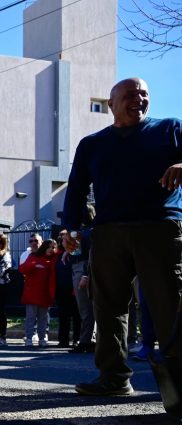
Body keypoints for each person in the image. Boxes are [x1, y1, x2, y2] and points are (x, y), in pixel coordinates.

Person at [62, 77, 182, 396]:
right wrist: (69, 227)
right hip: (108, 233)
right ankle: (113, 377)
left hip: (159, 228)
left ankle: (178, 387)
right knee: (108, 306)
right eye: (130, 94)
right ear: (111, 103)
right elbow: (76, 189)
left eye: (144, 93)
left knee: (169, 305)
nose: (139, 99)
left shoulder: (170, 128)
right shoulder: (92, 144)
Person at [19, 239, 58, 348]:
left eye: (53, 247)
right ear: (44, 247)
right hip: (32, 293)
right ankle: (29, 338)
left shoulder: (53, 260)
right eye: (49, 247)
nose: (51, 249)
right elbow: (22, 268)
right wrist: (34, 265)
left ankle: (42, 338)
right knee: (31, 318)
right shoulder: (33, 256)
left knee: (43, 318)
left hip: (45, 294)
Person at [68, 204, 96, 353]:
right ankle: (88, 340)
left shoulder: (90, 231)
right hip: (79, 267)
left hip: (83, 268)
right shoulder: (84, 231)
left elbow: (92, 254)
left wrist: (86, 274)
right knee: (85, 308)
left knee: (86, 308)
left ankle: (86, 341)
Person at [55, 231, 81, 349]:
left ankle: (77, 339)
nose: (62, 241)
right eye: (61, 239)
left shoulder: (76, 253)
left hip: (74, 289)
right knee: (63, 316)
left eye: (64, 238)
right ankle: (63, 340)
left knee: (77, 316)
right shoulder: (58, 255)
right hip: (61, 290)